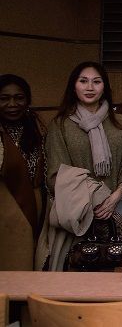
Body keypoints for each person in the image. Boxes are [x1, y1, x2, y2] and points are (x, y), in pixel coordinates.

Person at [41, 62, 122, 271]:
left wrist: (116, 196)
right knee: (80, 268)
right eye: (83, 81)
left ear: (104, 87)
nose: (90, 87)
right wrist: (96, 198)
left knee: (116, 269)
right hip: (78, 207)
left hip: (116, 205)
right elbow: (57, 174)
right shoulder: (60, 125)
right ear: (74, 86)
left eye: (96, 82)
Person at [0, 74, 46, 270]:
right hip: (6, 206)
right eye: (4, 98)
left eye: (19, 98)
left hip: (35, 206)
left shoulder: (37, 128)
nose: (12, 104)